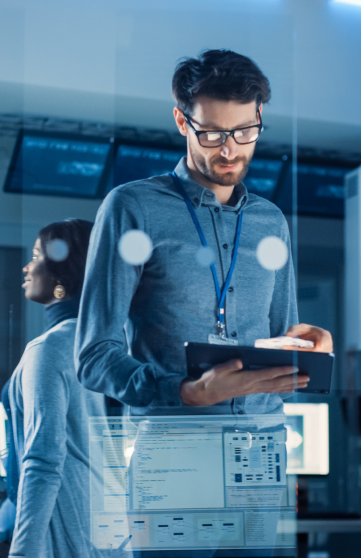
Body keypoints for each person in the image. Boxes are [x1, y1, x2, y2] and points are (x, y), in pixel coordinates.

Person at [75, 49, 332, 416]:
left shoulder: (271, 221)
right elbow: (94, 357)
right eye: (211, 133)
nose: (230, 149)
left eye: (244, 131)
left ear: (259, 117)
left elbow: (281, 357)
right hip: (174, 449)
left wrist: (306, 349)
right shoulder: (133, 208)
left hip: (262, 447)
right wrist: (185, 391)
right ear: (182, 121)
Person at [8, 219, 106, 558]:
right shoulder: (99, 344)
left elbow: (43, 461)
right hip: (101, 522)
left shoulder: (49, 349)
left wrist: (23, 553)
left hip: (63, 526)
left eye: (36, 256)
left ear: (61, 274)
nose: (26, 267)